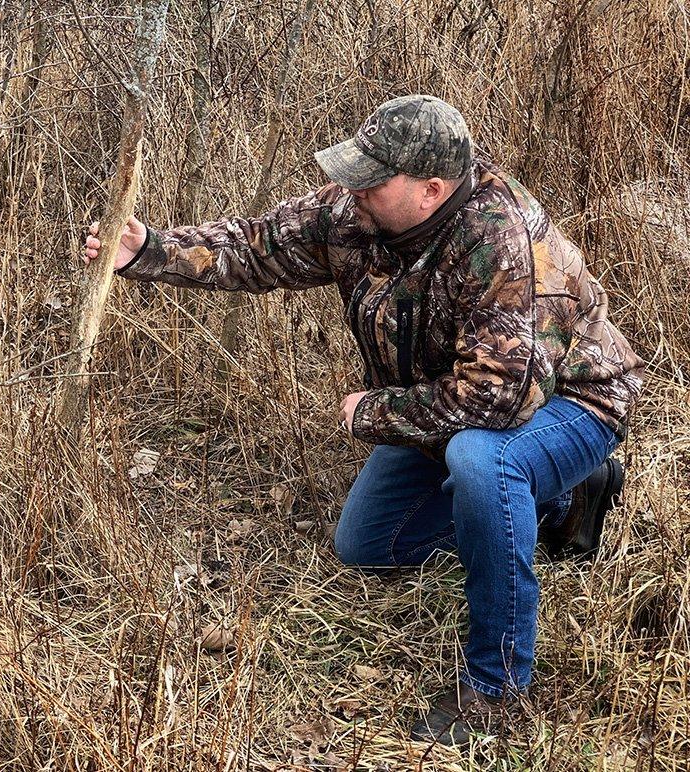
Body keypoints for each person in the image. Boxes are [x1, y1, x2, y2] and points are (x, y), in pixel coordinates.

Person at [82, 95, 644, 745]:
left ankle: (497, 689)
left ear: (432, 190)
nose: (353, 190)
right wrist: (149, 250)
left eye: (373, 179)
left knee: (482, 461)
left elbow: (500, 399)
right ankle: (564, 501)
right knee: (370, 548)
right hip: (446, 399)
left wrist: (378, 412)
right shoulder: (354, 212)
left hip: (572, 401)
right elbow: (259, 246)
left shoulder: (500, 238)